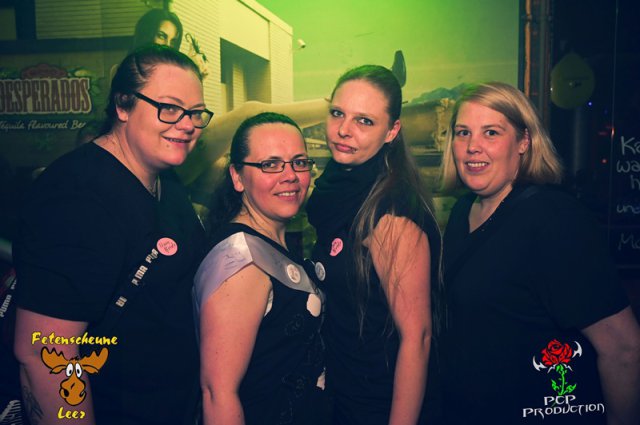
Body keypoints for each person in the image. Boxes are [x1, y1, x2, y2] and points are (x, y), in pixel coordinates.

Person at [13, 45, 212, 425]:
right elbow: (43, 354)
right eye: (169, 108)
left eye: (195, 113)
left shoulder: (164, 179)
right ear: (123, 106)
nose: (187, 124)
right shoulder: (77, 196)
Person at [439, 81, 640, 424]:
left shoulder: (554, 219)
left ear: (523, 142)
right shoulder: (462, 212)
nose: (473, 147)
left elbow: (624, 349)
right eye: (463, 133)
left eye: (491, 133)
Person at [306, 65, 443, 425]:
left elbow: (418, 338)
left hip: (378, 404)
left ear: (392, 131)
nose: (344, 130)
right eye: (337, 113)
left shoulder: (389, 215)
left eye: (364, 121)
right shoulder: (337, 191)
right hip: (342, 393)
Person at [194, 112, 325, 425]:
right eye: (270, 164)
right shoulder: (242, 265)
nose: (290, 175)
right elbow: (218, 394)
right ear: (237, 177)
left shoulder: (269, 243)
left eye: (299, 162)